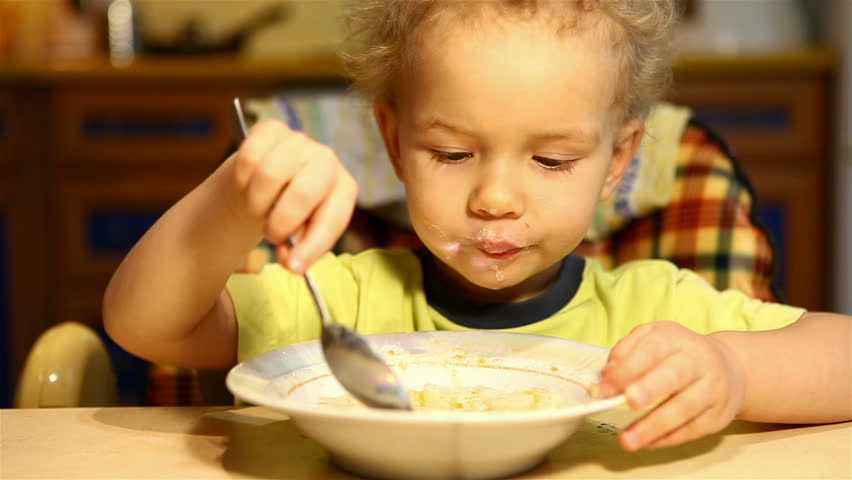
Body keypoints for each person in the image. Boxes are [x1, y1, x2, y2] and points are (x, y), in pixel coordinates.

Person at [103, 0, 851, 452]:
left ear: (618, 158)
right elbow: (147, 327)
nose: (496, 198)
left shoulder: (652, 317)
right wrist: (232, 202)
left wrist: (736, 369)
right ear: (393, 142)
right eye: (453, 152)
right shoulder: (342, 307)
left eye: (553, 160)